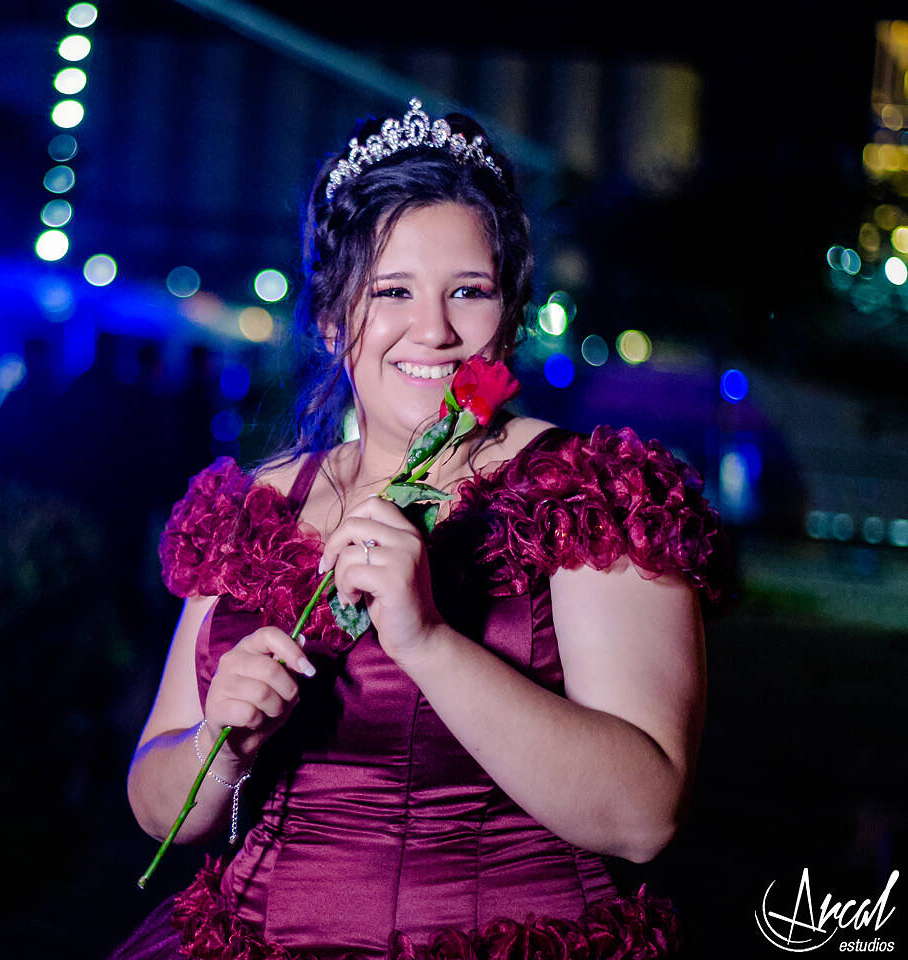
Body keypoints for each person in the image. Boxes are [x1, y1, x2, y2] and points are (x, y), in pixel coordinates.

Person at [111, 100, 721, 960]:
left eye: (467, 291)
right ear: (331, 321)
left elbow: (643, 816)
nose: (433, 330)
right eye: (391, 292)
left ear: (509, 314)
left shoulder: (595, 494)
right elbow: (156, 803)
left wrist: (428, 639)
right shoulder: (252, 508)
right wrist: (221, 742)